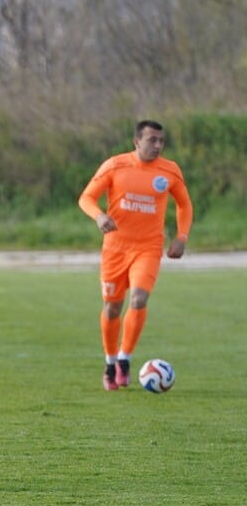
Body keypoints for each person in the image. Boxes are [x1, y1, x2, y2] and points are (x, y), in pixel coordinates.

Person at [79, 119, 193, 391]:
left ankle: (125, 359)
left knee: (139, 298)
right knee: (112, 306)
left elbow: (184, 205)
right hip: (115, 248)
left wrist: (181, 237)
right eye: (152, 140)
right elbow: (86, 198)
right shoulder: (115, 165)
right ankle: (109, 364)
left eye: (161, 141)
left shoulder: (169, 171)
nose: (157, 146)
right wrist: (99, 216)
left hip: (148, 247)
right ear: (136, 141)